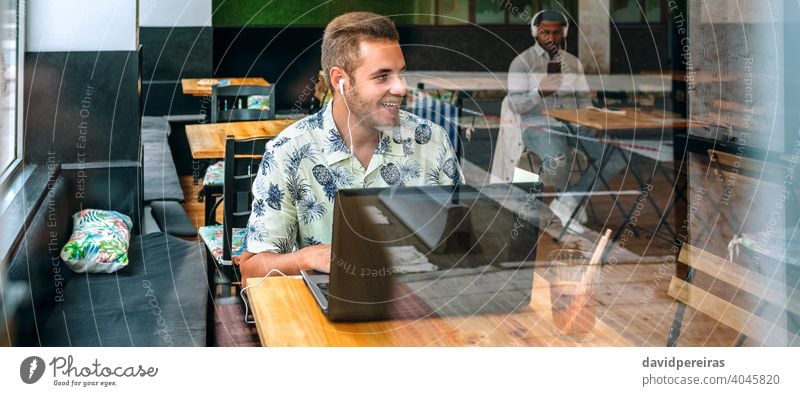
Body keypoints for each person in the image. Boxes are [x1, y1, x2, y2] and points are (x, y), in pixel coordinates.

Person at [235, 12, 462, 280]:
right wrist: (309, 256)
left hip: (424, 300)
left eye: (401, 73)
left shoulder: (432, 141)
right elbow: (251, 267)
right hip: (330, 313)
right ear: (339, 80)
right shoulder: (288, 151)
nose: (401, 88)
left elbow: (462, 242)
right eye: (382, 76)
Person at [504, 10, 628, 234]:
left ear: (564, 33)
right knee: (558, 159)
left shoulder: (573, 63)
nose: (551, 37)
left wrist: (592, 118)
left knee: (617, 156)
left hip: (574, 125)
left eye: (556, 33)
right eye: (545, 32)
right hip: (539, 126)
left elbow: (583, 100)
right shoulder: (521, 63)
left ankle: (568, 201)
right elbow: (515, 105)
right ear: (535, 32)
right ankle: (568, 203)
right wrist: (539, 92)